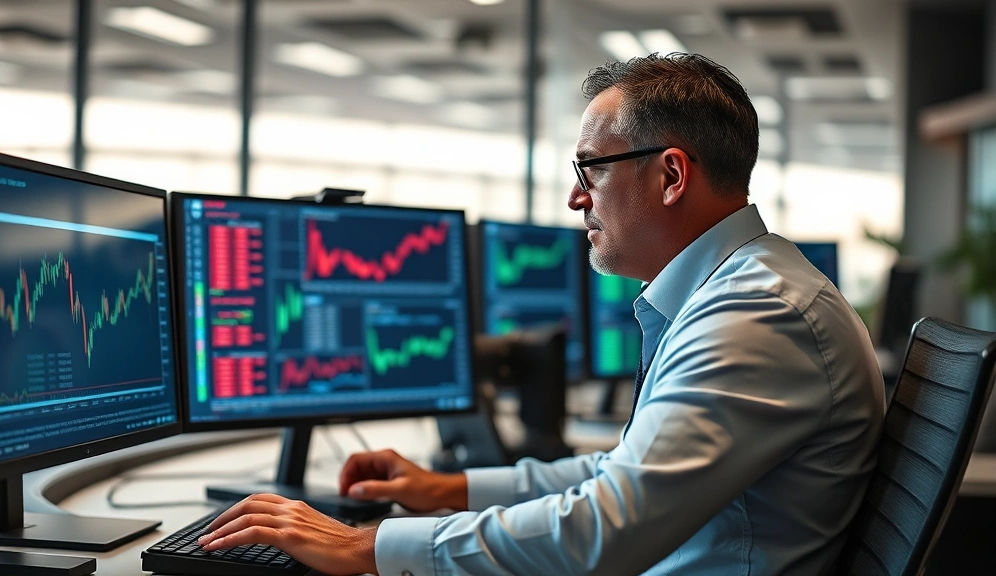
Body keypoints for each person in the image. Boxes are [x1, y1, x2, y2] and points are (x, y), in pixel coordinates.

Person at [198, 53, 885, 575]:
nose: (575, 199)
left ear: (672, 175)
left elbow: (607, 529)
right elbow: (625, 475)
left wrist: (366, 545)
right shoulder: (739, 293)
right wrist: (447, 488)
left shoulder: (755, 314)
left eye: (590, 170)